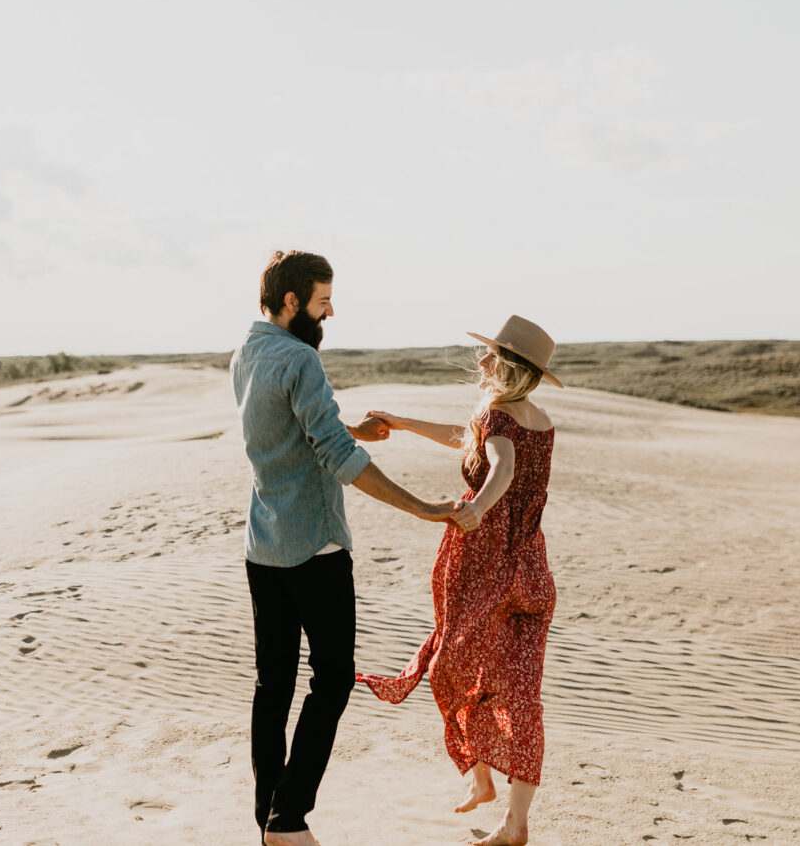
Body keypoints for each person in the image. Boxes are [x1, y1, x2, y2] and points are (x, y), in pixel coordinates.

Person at [230, 250, 470, 846]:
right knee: (333, 678)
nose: (331, 311)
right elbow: (338, 460)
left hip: (263, 544)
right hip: (315, 547)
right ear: (292, 302)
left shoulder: (246, 353)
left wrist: (353, 428)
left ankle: (270, 820)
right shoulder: (301, 358)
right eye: (321, 301)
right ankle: (288, 819)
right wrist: (425, 507)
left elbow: (293, 430)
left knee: (273, 685)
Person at [356, 315, 563, 846]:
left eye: (491, 354)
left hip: (488, 565)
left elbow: (502, 466)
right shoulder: (536, 417)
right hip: (531, 569)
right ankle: (514, 820)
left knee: (451, 667)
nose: (482, 360)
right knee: (520, 691)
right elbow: (471, 442)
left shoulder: (497, 416)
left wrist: (476, 511)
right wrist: (402, 423)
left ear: (509, 367)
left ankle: (480, 776)